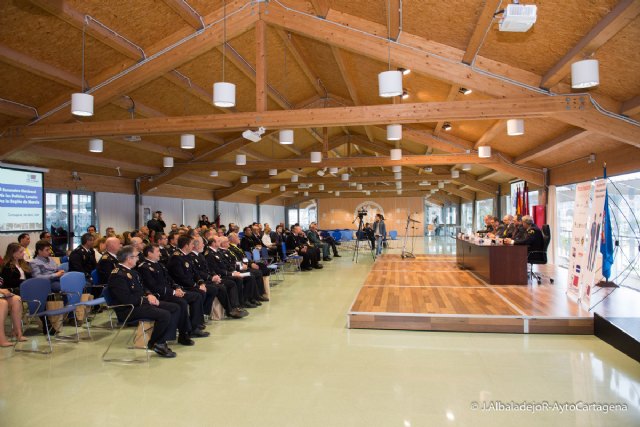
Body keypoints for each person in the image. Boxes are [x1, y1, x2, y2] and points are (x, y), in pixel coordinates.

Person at [108, 245, 180, 358]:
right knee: (164, 314)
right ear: (129, 259)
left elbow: (142, 288)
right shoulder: (118, 275)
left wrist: (149, 294)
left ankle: (163, 339)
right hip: (128, 309)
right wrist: (146, 300)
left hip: (140, 304)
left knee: (174, 307)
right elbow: (126, 299)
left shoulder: (132, 272)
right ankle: (156, 343)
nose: (138, 258)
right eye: (136, 256)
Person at [137, 244, 208, 345]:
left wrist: (177, 288)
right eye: (157, 251)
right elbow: (153, 287)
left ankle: (194, 326)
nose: (160, 254)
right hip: (160, 295)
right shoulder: (144, 267)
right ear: (149, 253)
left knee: (196, 296)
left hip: (170, 292)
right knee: (182, 303)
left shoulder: (160, 265)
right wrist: (174, 292)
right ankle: (183, 334)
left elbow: (170, 279)